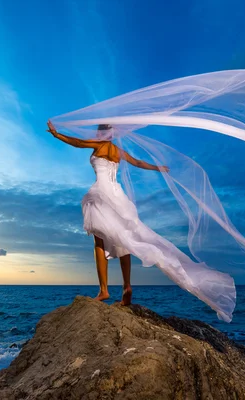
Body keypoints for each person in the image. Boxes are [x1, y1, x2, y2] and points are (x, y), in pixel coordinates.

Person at [47, 121, 170, 306]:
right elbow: (137, 162)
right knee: (123, 239)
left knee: (99, 240)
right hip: (117, 194)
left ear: (101, 133)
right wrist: (157, 168)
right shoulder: (118, 151)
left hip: (101, 192)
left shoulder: (100, 145)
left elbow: (78, 143)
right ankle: (126, 286)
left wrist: (57, 135)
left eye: (98, 131)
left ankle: (104, 290)